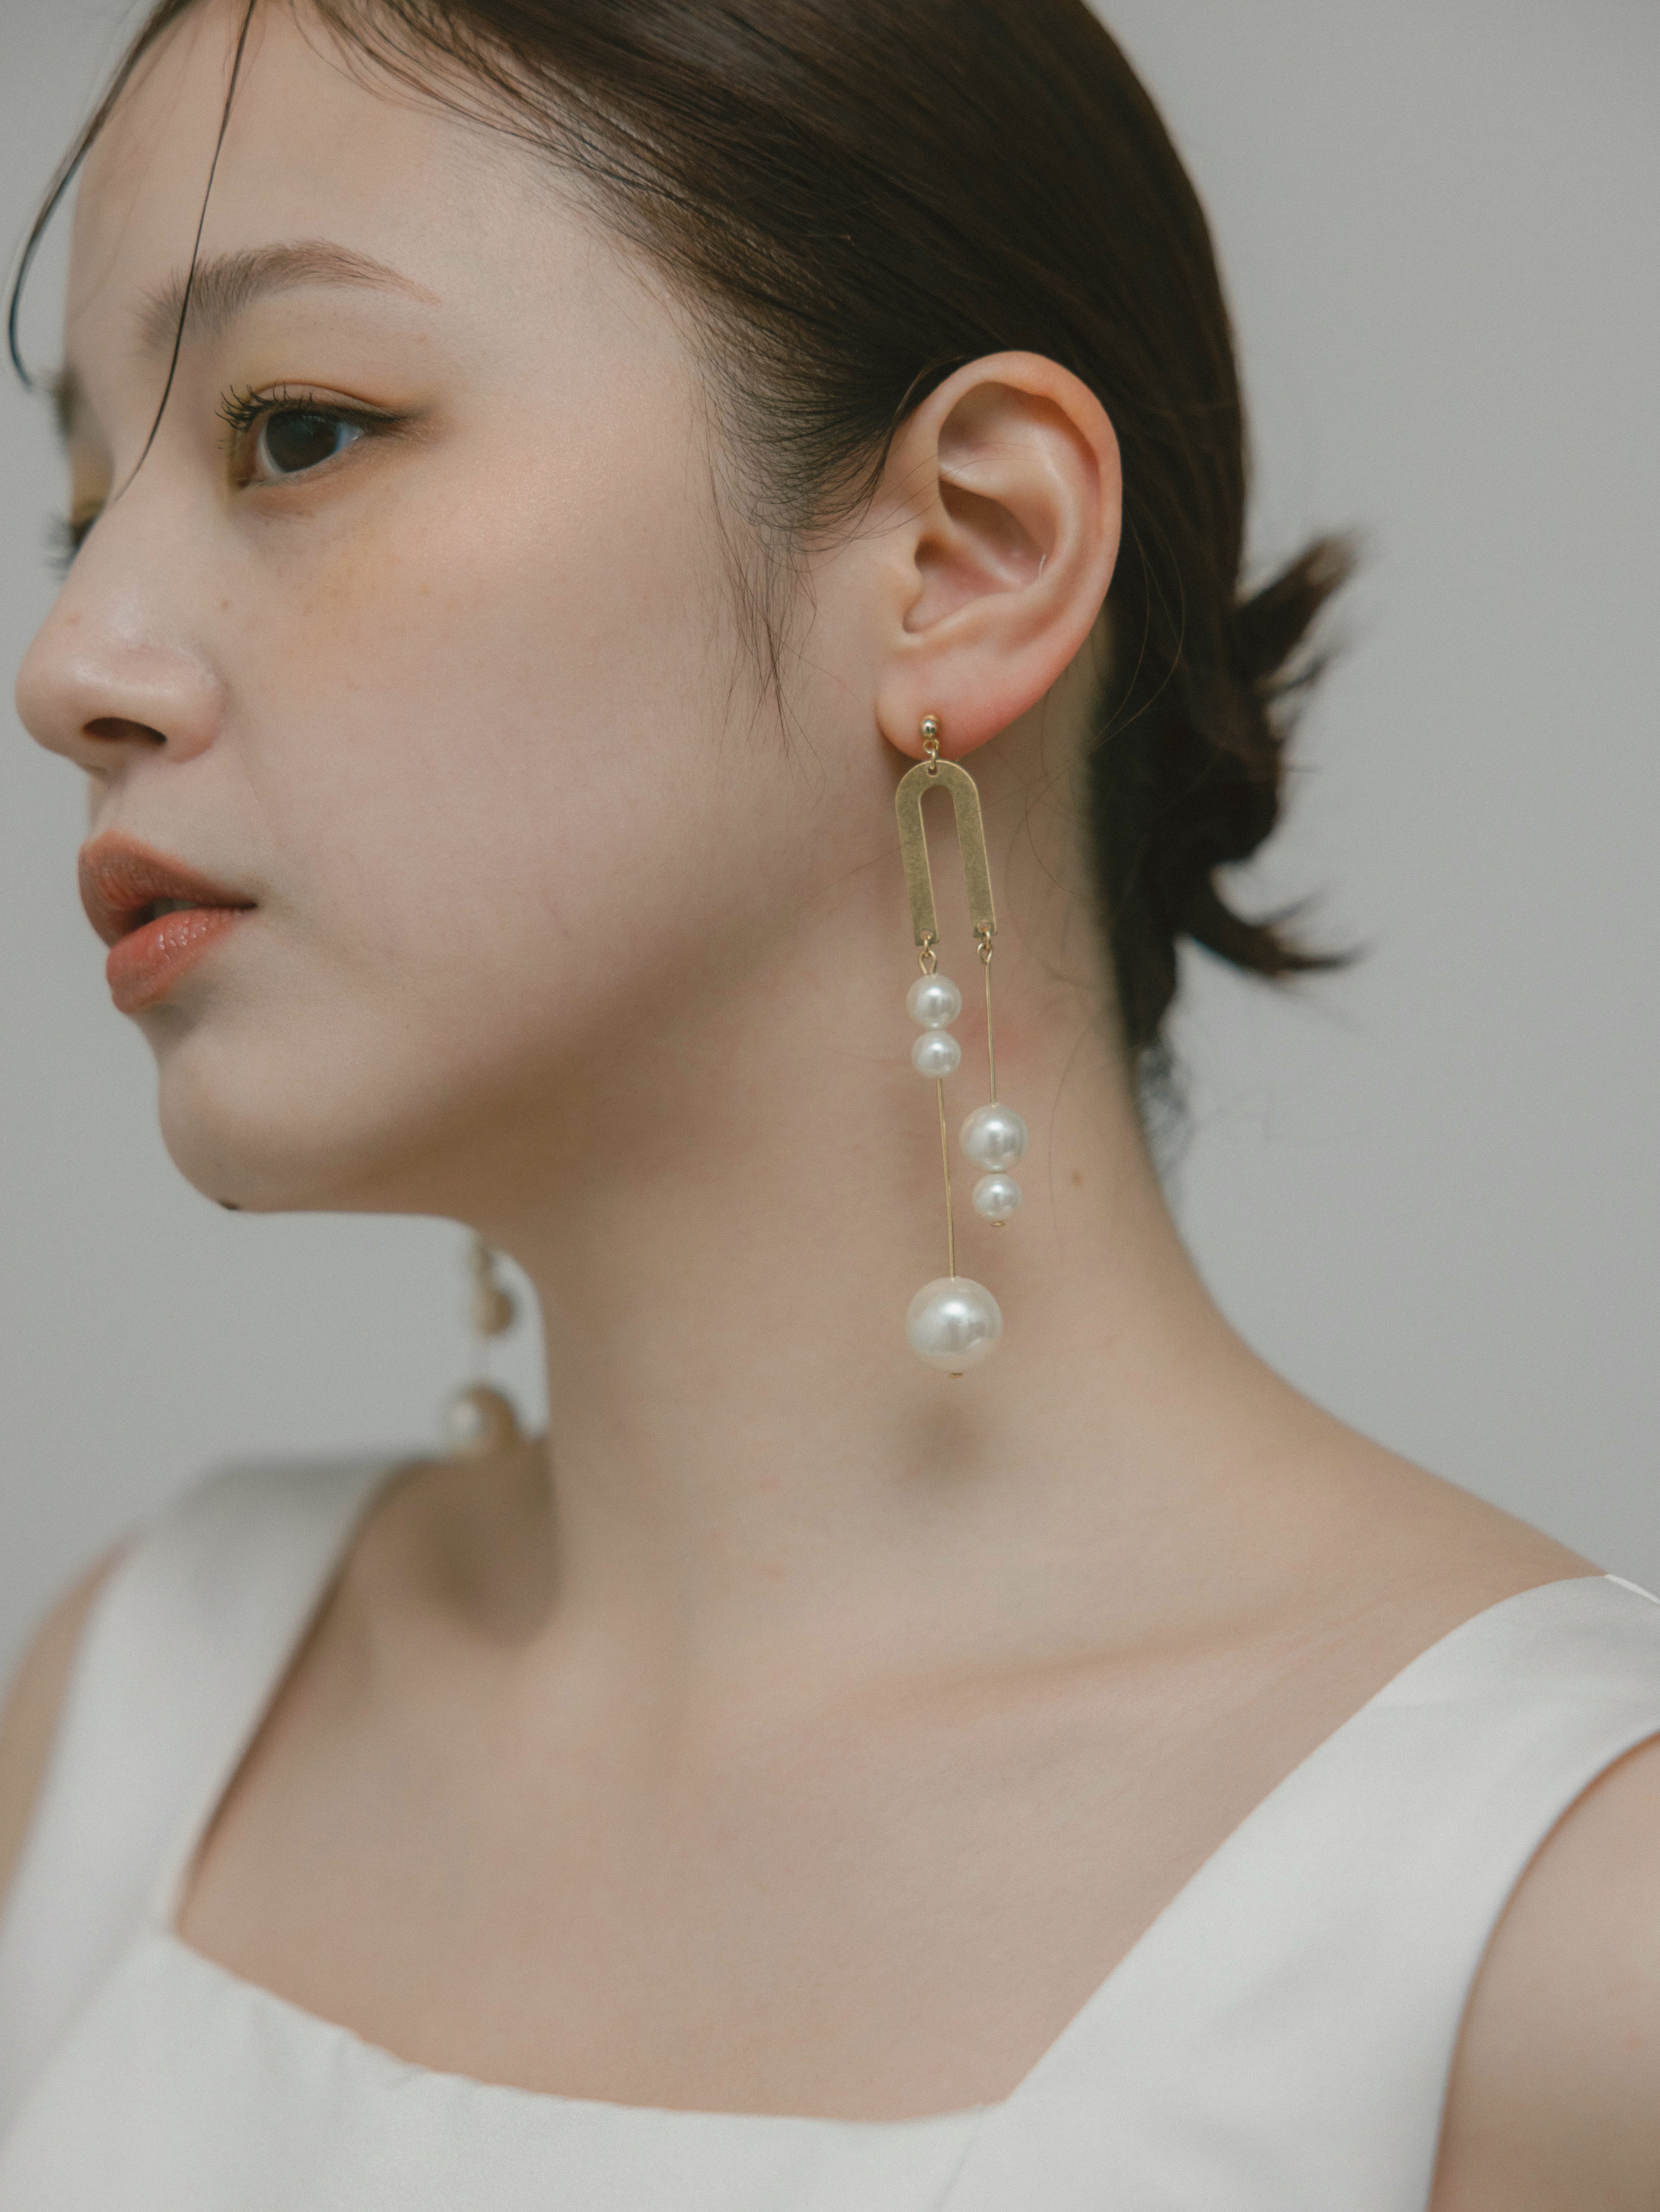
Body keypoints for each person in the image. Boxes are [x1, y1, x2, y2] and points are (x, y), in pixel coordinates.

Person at [1, 0, 1658, 2203]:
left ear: (967, 551)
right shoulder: (133, 1722)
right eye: (84, 513)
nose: (73, 668)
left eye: (298, 431)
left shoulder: (1560, 1943)